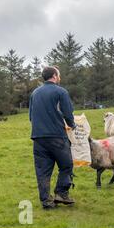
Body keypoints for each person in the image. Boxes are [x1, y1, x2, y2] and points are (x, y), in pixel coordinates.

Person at [29, 66, 76, 209]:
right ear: (55, 76)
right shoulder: (61, 92)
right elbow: (68, 113)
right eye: (59, 75)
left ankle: (46, 202)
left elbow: (31, 116)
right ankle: (61, 193)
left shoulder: (35, 93)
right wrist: (72, 124)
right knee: (66, 165)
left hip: (38, 138)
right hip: (57, 136)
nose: (59, 78)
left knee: (43, 171)